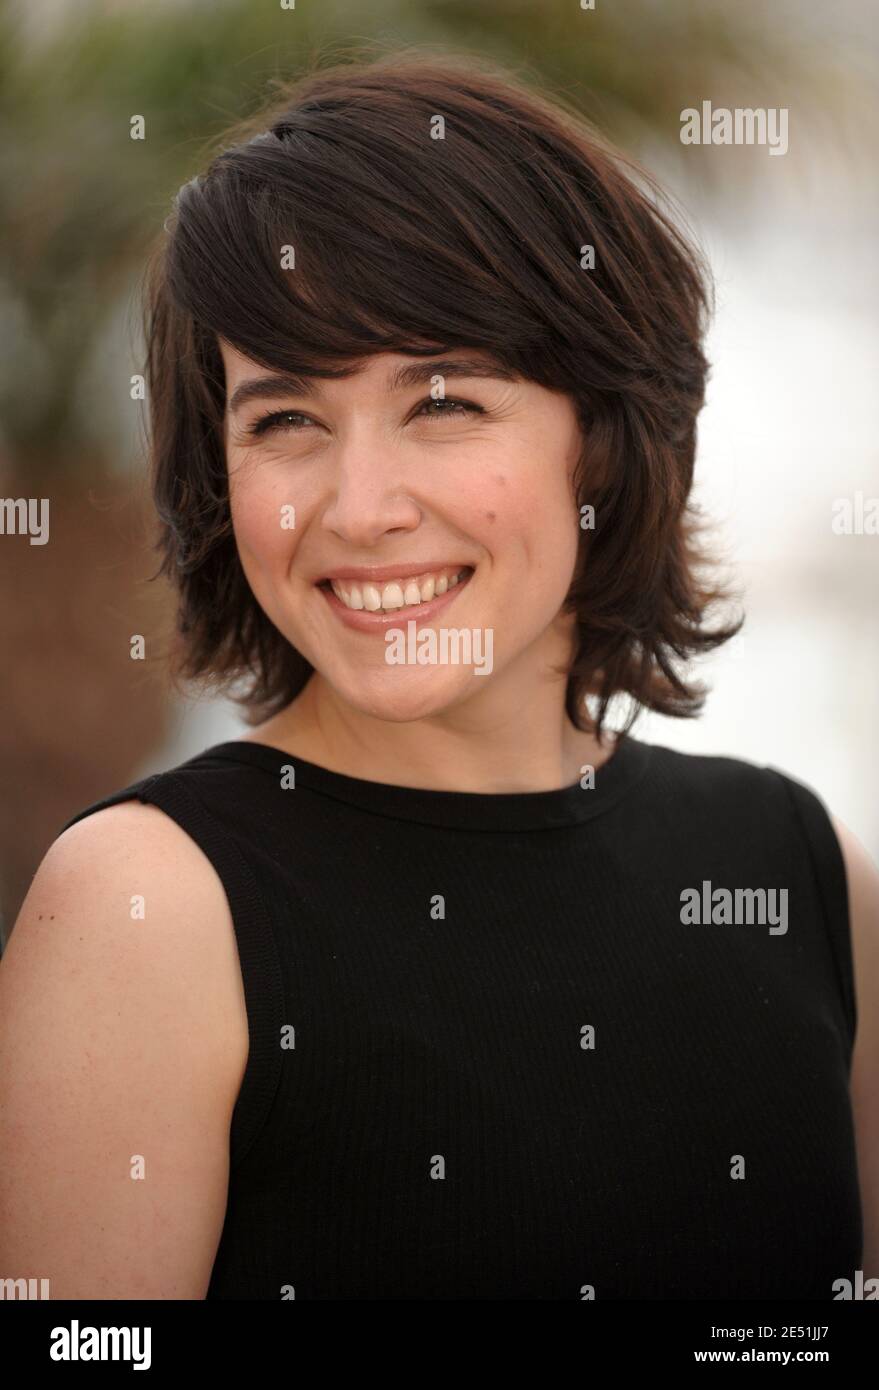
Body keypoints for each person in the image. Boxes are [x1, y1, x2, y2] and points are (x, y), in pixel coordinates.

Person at [1, 51, 877, 1301]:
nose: (358, 511)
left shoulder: (804, 873)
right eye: (286, 419)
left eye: (446, 400)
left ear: (605, 436)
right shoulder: (145, 910)